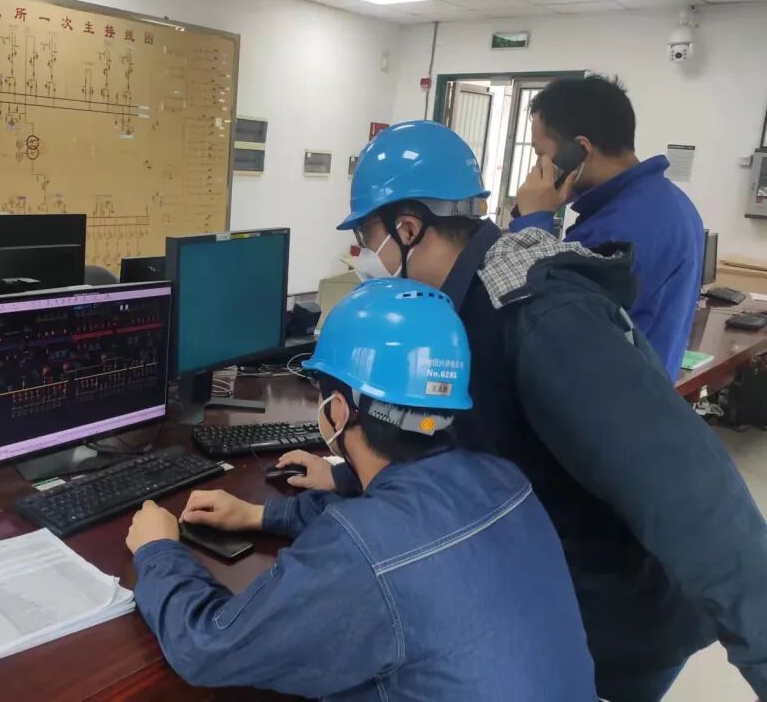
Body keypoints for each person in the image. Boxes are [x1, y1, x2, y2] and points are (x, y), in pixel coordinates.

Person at [280, 120, 767, 702]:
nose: (364, 257)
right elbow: (472, 443)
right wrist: (346, 473)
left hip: (612, 620)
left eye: (366, 238)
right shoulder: (461, 306)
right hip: (553, 581)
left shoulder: (541, 317)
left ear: (408, 229)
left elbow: (694, 499)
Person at [125, 279, 597, 701]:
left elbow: (207, 647)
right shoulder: (504, 479)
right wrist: (261, 515)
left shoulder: (362, 551)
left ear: (336, 410)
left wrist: (157, 550)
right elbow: (404, 521)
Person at [510, 75, 704, 379]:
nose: (538, 168)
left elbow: (547, 321)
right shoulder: (670, 201)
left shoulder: (615, 231)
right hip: (644, 387)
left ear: (580, 150)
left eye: (540, 154)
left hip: (607, 392)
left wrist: (533, 221)